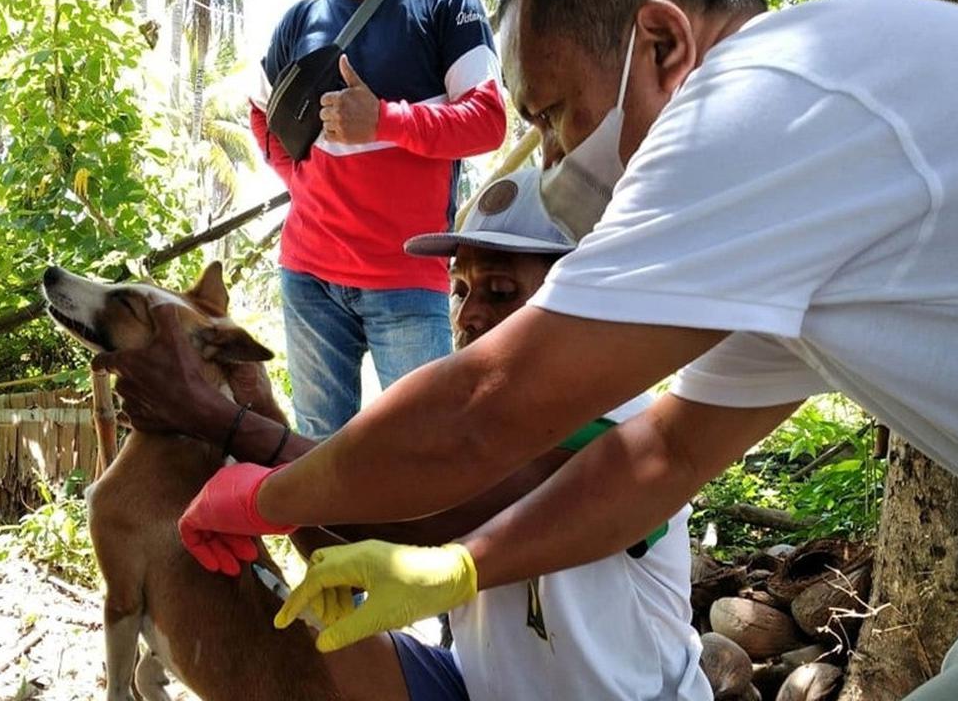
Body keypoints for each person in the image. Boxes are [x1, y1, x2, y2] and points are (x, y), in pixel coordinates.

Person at [103, 0, 958, 698]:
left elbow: (482, 416)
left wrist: (258, 485)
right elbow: (662, 455)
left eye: (554, 115)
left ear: (661, 44)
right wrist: (461, 571)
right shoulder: (808, 176)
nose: (558, 166)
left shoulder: (759, 99)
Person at [163, 169, 710, 701]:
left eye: (498, 291)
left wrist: (222, 421)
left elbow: (427, 517)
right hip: (474, 686)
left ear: (582, 299)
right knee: (320, 644)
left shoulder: (625, 423)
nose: (468, 314)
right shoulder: (481, 427)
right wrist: (253, 405)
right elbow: (345, 542)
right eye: (459, 289)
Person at [250, 0, 506, 440]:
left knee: (425, 450)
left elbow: (488, 120)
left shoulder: (445, 0)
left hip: (406, 283)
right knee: (317, 451)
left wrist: (384, 120)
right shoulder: (299, 20)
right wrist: (301, 185)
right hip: (309, 281)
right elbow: (262, 113)